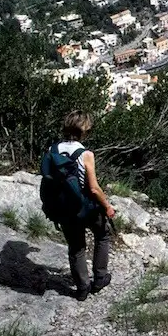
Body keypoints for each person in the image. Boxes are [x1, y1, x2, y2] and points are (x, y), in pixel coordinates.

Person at [54, 111, 116, 301]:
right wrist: (107, 206)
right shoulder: (85, 154)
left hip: (63, 207)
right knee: (102, 235)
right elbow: (94, 188)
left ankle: (82, 288)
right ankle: (100, 277)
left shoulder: (53, 150)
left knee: (76, 247)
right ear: (84, 131)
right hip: (85, 206)